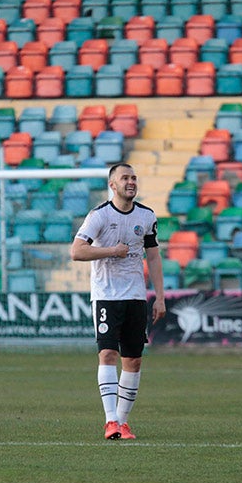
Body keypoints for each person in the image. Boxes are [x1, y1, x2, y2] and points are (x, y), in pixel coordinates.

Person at [70, 163, 166, 440]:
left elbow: (154, 257)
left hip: (136, 296)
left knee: (133, 360)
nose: (131, 182)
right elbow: (76, 251)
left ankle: (122, 423)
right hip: (107, 295)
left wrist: (159, 296)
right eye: (125, 178)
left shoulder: (147, 216)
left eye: (134, 177)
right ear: (113, 185)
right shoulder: (99, 216)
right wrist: (113, 250)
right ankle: (110, 420)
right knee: (107, 354)